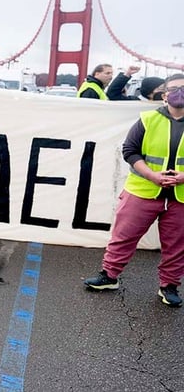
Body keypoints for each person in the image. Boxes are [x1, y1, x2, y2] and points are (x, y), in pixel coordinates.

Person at [84, 73, 184, 308]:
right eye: (175, 88)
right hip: (143, 190)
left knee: (177, 244)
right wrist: (152, 175)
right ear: (165, 94)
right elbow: (130, 150)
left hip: (180, 196)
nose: (179, 92)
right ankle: (109, 276)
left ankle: (169, 286)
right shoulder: (148, 119)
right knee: (124, 235)